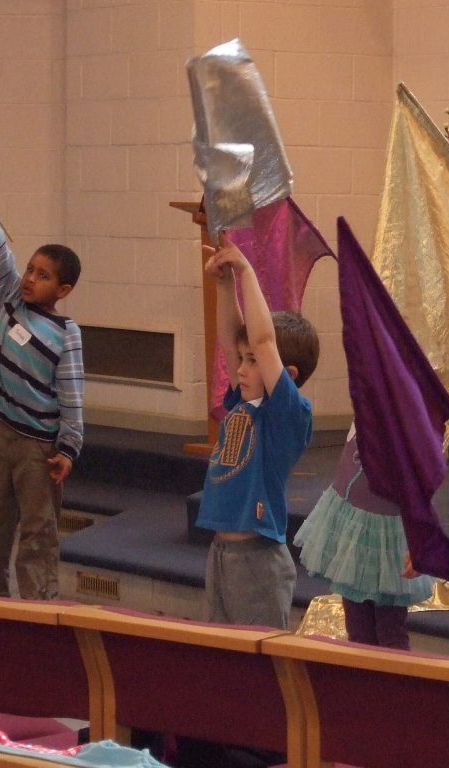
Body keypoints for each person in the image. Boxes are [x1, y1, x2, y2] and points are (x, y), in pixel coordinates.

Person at [0, 166, 83, 600]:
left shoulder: (66, 333)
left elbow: (72, 395)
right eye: (31, 269)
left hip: (39, 450)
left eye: (43, 275)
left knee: (37, 534)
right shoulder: (12, 300)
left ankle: (37, 614)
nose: (30, 278)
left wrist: (68, 447)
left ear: (63, 288)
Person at [196, 234, 319, 630]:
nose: (242, 368)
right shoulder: (242, 402)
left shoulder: (285, 415)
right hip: (221, 552)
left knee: (259, 661)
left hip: (258, 558)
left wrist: (247, 270)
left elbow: (264, 341)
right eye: (242, 360)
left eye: (253, 363)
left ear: (286, 374)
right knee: (222, 657)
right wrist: (224, 283)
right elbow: (233, 338)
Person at [294, 423, 434, 649]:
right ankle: (362, 680)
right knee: (358, 626)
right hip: (354, 530)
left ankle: (394, 681)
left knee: (390, 628)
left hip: (387, 539)